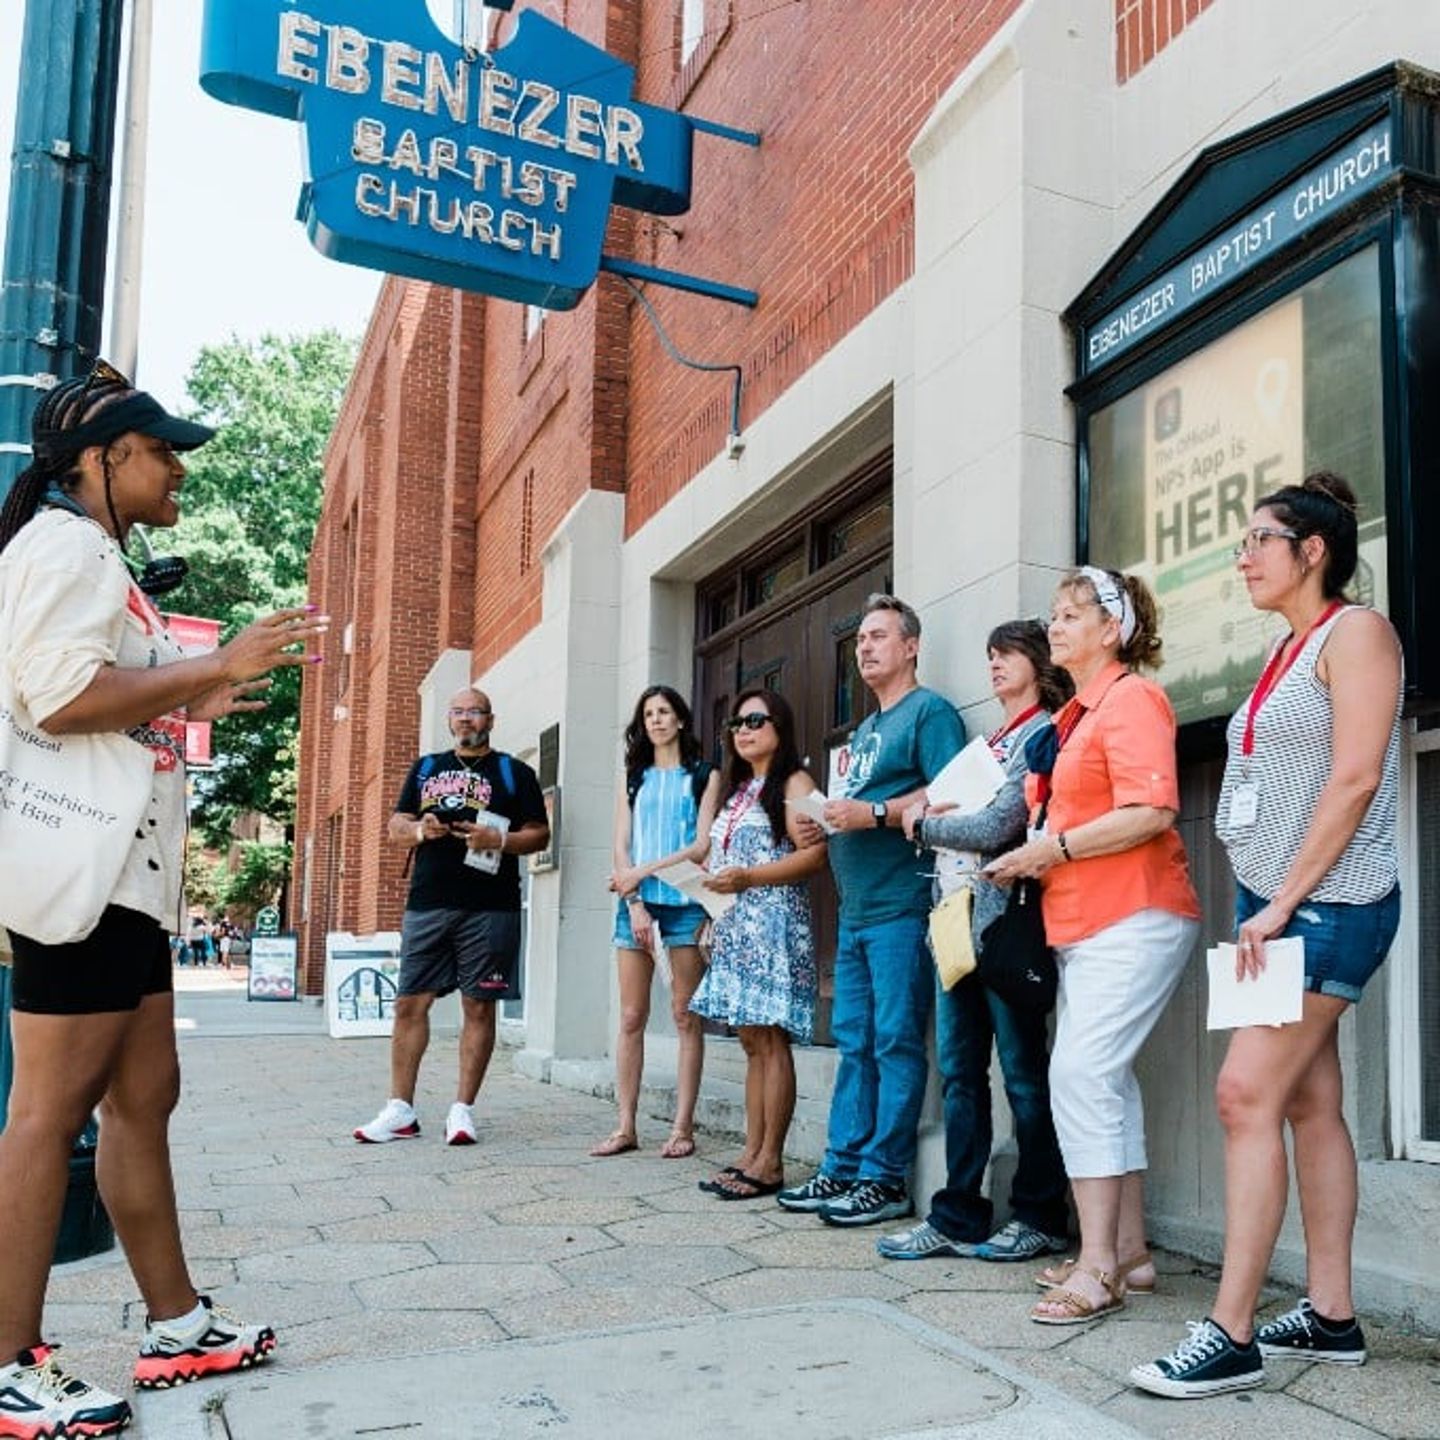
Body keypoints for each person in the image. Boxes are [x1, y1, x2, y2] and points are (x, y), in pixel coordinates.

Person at [0, 363, 325, 1434]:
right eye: (162, 449)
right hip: (82, 876)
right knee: (46, 1116)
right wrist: (205, 667)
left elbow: (107, 702)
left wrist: (209, 683)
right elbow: (60, 696)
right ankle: (9, 1365)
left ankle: (177, 1326)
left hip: (124, 880)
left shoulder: (104, 561)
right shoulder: (67, 546)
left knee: (145, 1098)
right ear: (101, 460)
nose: (178, 467)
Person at [1133, 473, 1403, 1399]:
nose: (1242, 556)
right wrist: (1265, 896)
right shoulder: (1285, 650)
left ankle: (1232, 1332)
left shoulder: (1355, 632)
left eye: (1259, 539)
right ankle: (1330, 1317)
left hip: (1331, 904)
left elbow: (1357, 777)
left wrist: (1284, 899)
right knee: (1304, 1104)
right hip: (1278, 906)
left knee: (1243, 1094)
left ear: (1312, 551)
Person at [987, 566, 1199, 1325]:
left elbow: (1152, 808)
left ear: (1114, 630)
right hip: (1084, 922)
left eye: (1074, 614)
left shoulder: (1132, 697)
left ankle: (1100, 1265)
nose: (1057, 625)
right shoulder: (1073, 716)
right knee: (1104, 1080)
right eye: (1054, 614)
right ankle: (1131, 1255)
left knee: (1080, 1074)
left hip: (1133, 913)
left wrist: (1054, 850)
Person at [879, 620, 1072, 1261]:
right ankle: (958, 1214)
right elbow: (932, 803)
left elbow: (1000, 823)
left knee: (1022, 1073)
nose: (993, 665)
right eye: (988, 655)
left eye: (1007, 654)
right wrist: (926, 817)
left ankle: (1040, 1214)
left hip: (1004, 923)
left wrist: (926, 827)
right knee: (960, 1072)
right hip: (953, 919)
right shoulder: (989, 740)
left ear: (1037, 662)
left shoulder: (1043, 732)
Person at [780, 593, 966, 1226]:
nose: (865, 647)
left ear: (911, 646)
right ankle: (843, 1166)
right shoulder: (861, 733)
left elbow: (951, 797)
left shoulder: (930, 713)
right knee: (854, 1041)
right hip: (857, 911)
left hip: (904, 906)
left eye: (880, 636)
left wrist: (877, 814)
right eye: (861, 638)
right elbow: (853, 810)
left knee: (894, 1041)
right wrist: (824, 825)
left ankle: (885, 1180)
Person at [354, 687, 550, 1146]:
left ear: (491, 719)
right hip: (429, 901)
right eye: (459, 712)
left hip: (491, 904)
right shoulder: (426, 768)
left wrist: (496, 840)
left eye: (475, 712)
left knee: (479, 1005)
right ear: (450, 719)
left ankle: (462, 1111)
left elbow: (539, 834)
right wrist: (422, 829)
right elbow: (395, 827)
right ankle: (400, 1110)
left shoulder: (514, 772)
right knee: (409, 1004)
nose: (466, 720)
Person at [689, 689, 826, 1199]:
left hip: (773, 926)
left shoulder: (795, 781)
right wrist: (712, 918)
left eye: (755, 720)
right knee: (749, 1043)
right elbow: (720, 867)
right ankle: (751, 1151)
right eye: (736, 723)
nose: (743, 730)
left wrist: (750, 879)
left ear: (780, 726)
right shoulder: (737, 790)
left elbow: (815, 857)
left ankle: (771, 1162)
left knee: (771, 1041)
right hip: (734, 926)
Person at [592, 685, 721, 1158]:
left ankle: (683, 1128)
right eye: (648, 714)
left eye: (664, 712)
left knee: (686, 1015)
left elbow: (701, 846)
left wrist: (639, 873)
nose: (656, 720)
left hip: (685, 905)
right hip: (637, 906)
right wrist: (634, 899)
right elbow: (620, 845)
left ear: (681, 720)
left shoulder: (704, 775)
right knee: (631, 1016)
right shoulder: (634, 776)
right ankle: (625, 1125)